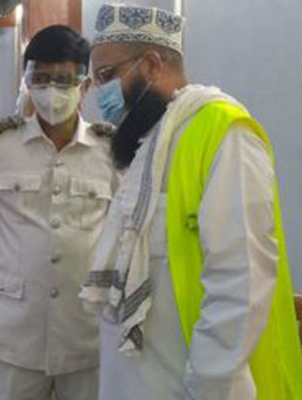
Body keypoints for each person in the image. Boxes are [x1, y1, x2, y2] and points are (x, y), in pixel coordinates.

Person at [79, 4, 302, 400]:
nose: (101, 92)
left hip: (190, 386)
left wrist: (209, 388)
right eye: (96, 79)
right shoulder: (147, 146)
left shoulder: (225, 135)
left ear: (151, 64)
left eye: (107, 75)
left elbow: (239, 285)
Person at [0, 26, 117, 400]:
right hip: (14, 329)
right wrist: (15, 271)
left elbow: (121, 232)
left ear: (84, 86)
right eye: (42, 79)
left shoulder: (110, 151)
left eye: (64, 80)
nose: (52, 90)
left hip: (85, 330)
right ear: (28, 82)